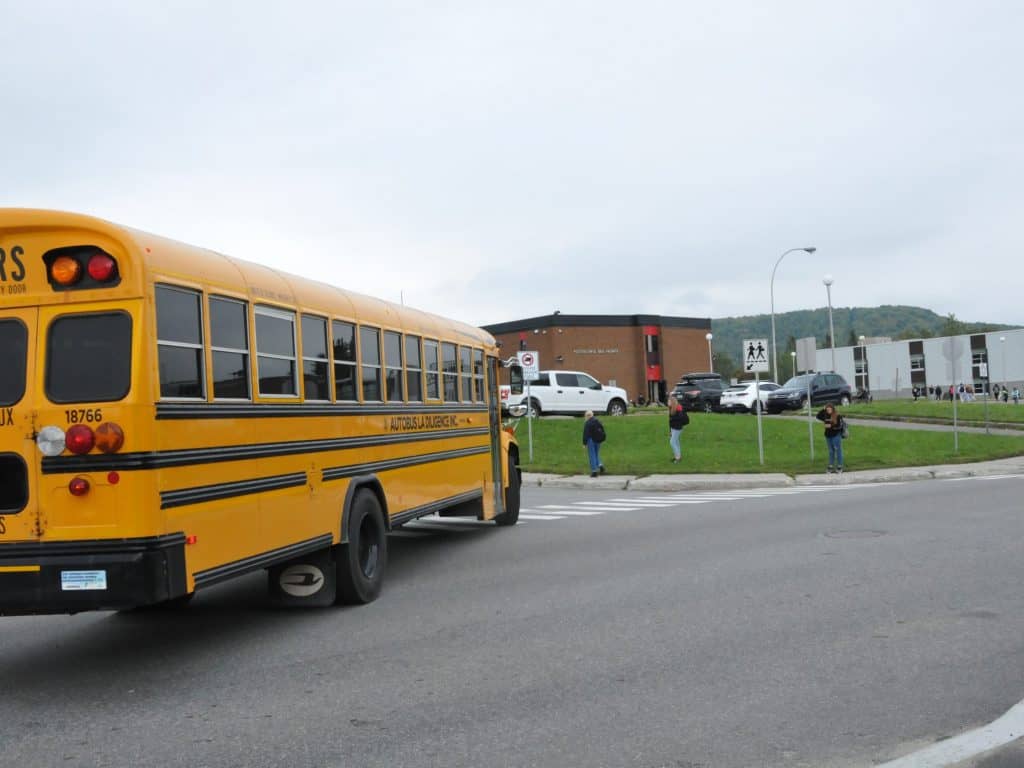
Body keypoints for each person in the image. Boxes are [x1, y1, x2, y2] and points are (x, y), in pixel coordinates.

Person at [815, 402, 845, 474]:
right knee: (831, 451)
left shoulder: (837, 416)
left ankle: (839, 466)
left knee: (838, 450)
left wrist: (831, 426)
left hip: (836, 435)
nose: (828, 410)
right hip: (828, 435)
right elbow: (818, 416)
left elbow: (840, 426)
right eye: (827, 409)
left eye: (830, 409)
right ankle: (831, 466)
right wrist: (823, 409)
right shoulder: (825, 415)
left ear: (833, 409)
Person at [582, 410, 606, 477]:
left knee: (592, 455)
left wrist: (584, 443)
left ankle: (594, 471)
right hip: (598, 440)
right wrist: (602, 439)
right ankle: (600, 465)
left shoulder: (587, 423)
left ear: (587, 416)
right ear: (592, 415)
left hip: (591, 440)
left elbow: (585, 434)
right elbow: (602, 430)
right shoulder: (598, 421)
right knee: (596, 454)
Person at [668, 395, 688, 463]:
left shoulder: (678, 408)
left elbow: (680, 418)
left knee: (672, 442)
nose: (668, 402)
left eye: (669, 401)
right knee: (676, 442)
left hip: (678, 428)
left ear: (672, 402)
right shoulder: (671, 408)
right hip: (673, 427)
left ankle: (678, 458)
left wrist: (672, 419)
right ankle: (678, 456)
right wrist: (670, 431)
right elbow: (670, 421)